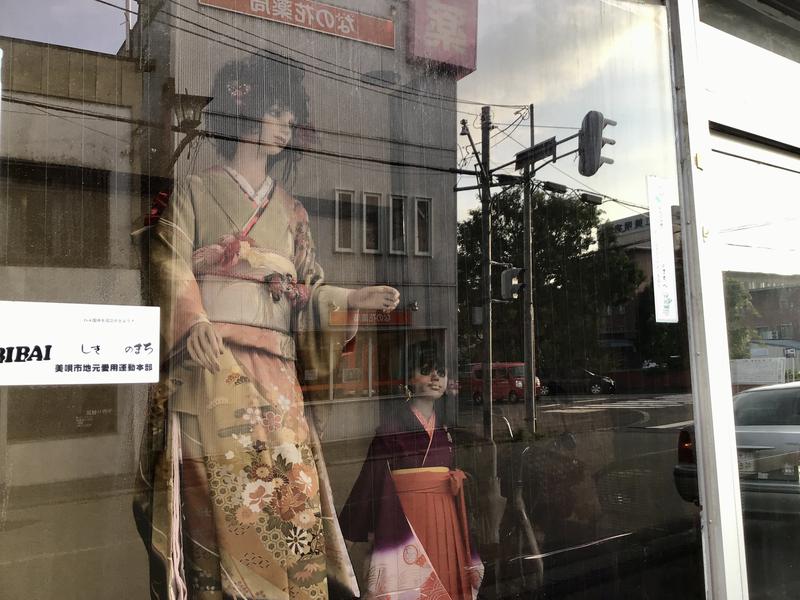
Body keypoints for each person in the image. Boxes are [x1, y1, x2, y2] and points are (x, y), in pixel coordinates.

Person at [134, 56, 399, 600]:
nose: (285, 125)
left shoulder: (293, 213)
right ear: (244, 108)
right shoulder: (192, 191)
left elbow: (306, 291)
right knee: (221, 500)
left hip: (277, 375)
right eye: (276, 112)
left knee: (291, 495)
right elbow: (167, 261)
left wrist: (350, 297)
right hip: (212, 367)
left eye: (289, 115)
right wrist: (193, 320)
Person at [339, 342, 483, 600]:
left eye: (441, 371)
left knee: (445, 577)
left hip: (444, 516)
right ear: (408, 377)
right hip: (403, 517)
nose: (436, 377)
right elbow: (370, 479)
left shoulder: (446, 429)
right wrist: (347, 535)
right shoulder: (393, 427)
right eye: (427, 370)